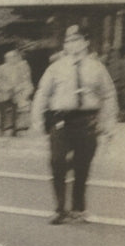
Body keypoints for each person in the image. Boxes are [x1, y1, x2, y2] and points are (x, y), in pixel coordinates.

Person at [31, 25, 118, 224]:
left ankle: (78, 209)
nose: (73, 44)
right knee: (57, 162)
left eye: (77, 40)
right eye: (69, 41)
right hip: (61, 121)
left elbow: (108, 95)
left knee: (82, 166)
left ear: (86, 43)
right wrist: (36, 119)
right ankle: (60, 209)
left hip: (87, 122)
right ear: (65, 45)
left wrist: (109, 122)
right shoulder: (56, 67)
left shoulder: (97, 67)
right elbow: (42, 93)